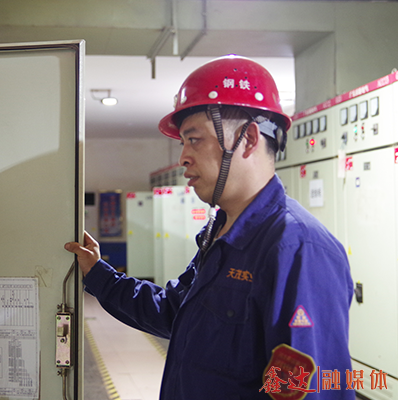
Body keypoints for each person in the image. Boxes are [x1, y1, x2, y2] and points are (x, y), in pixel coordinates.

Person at [65, 55, 354, 399]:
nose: (183, 158)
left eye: (195, 139)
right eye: (183, 143)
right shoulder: (221, 234)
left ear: (248, 139)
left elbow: (306, 389)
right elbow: (172, 310)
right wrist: (98, 273)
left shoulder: (297, 249)